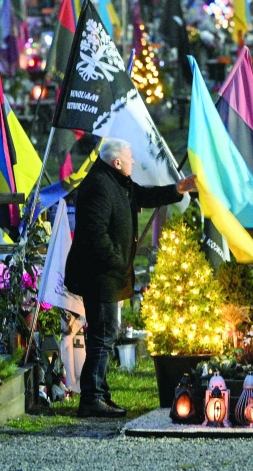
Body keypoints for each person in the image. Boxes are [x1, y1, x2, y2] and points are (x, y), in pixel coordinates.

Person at [64, 138, 196, 418]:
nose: (134, 162)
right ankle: (91, 398)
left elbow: (144, 197)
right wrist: (117, 261)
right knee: (102, 336)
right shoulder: (99, 186)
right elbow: (95, 233)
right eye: (130, 158)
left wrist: (178, 189)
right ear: (117, 162)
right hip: (100, 274)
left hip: (109, 273)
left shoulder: (116, 181)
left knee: (105, 335)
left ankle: (99, 393)